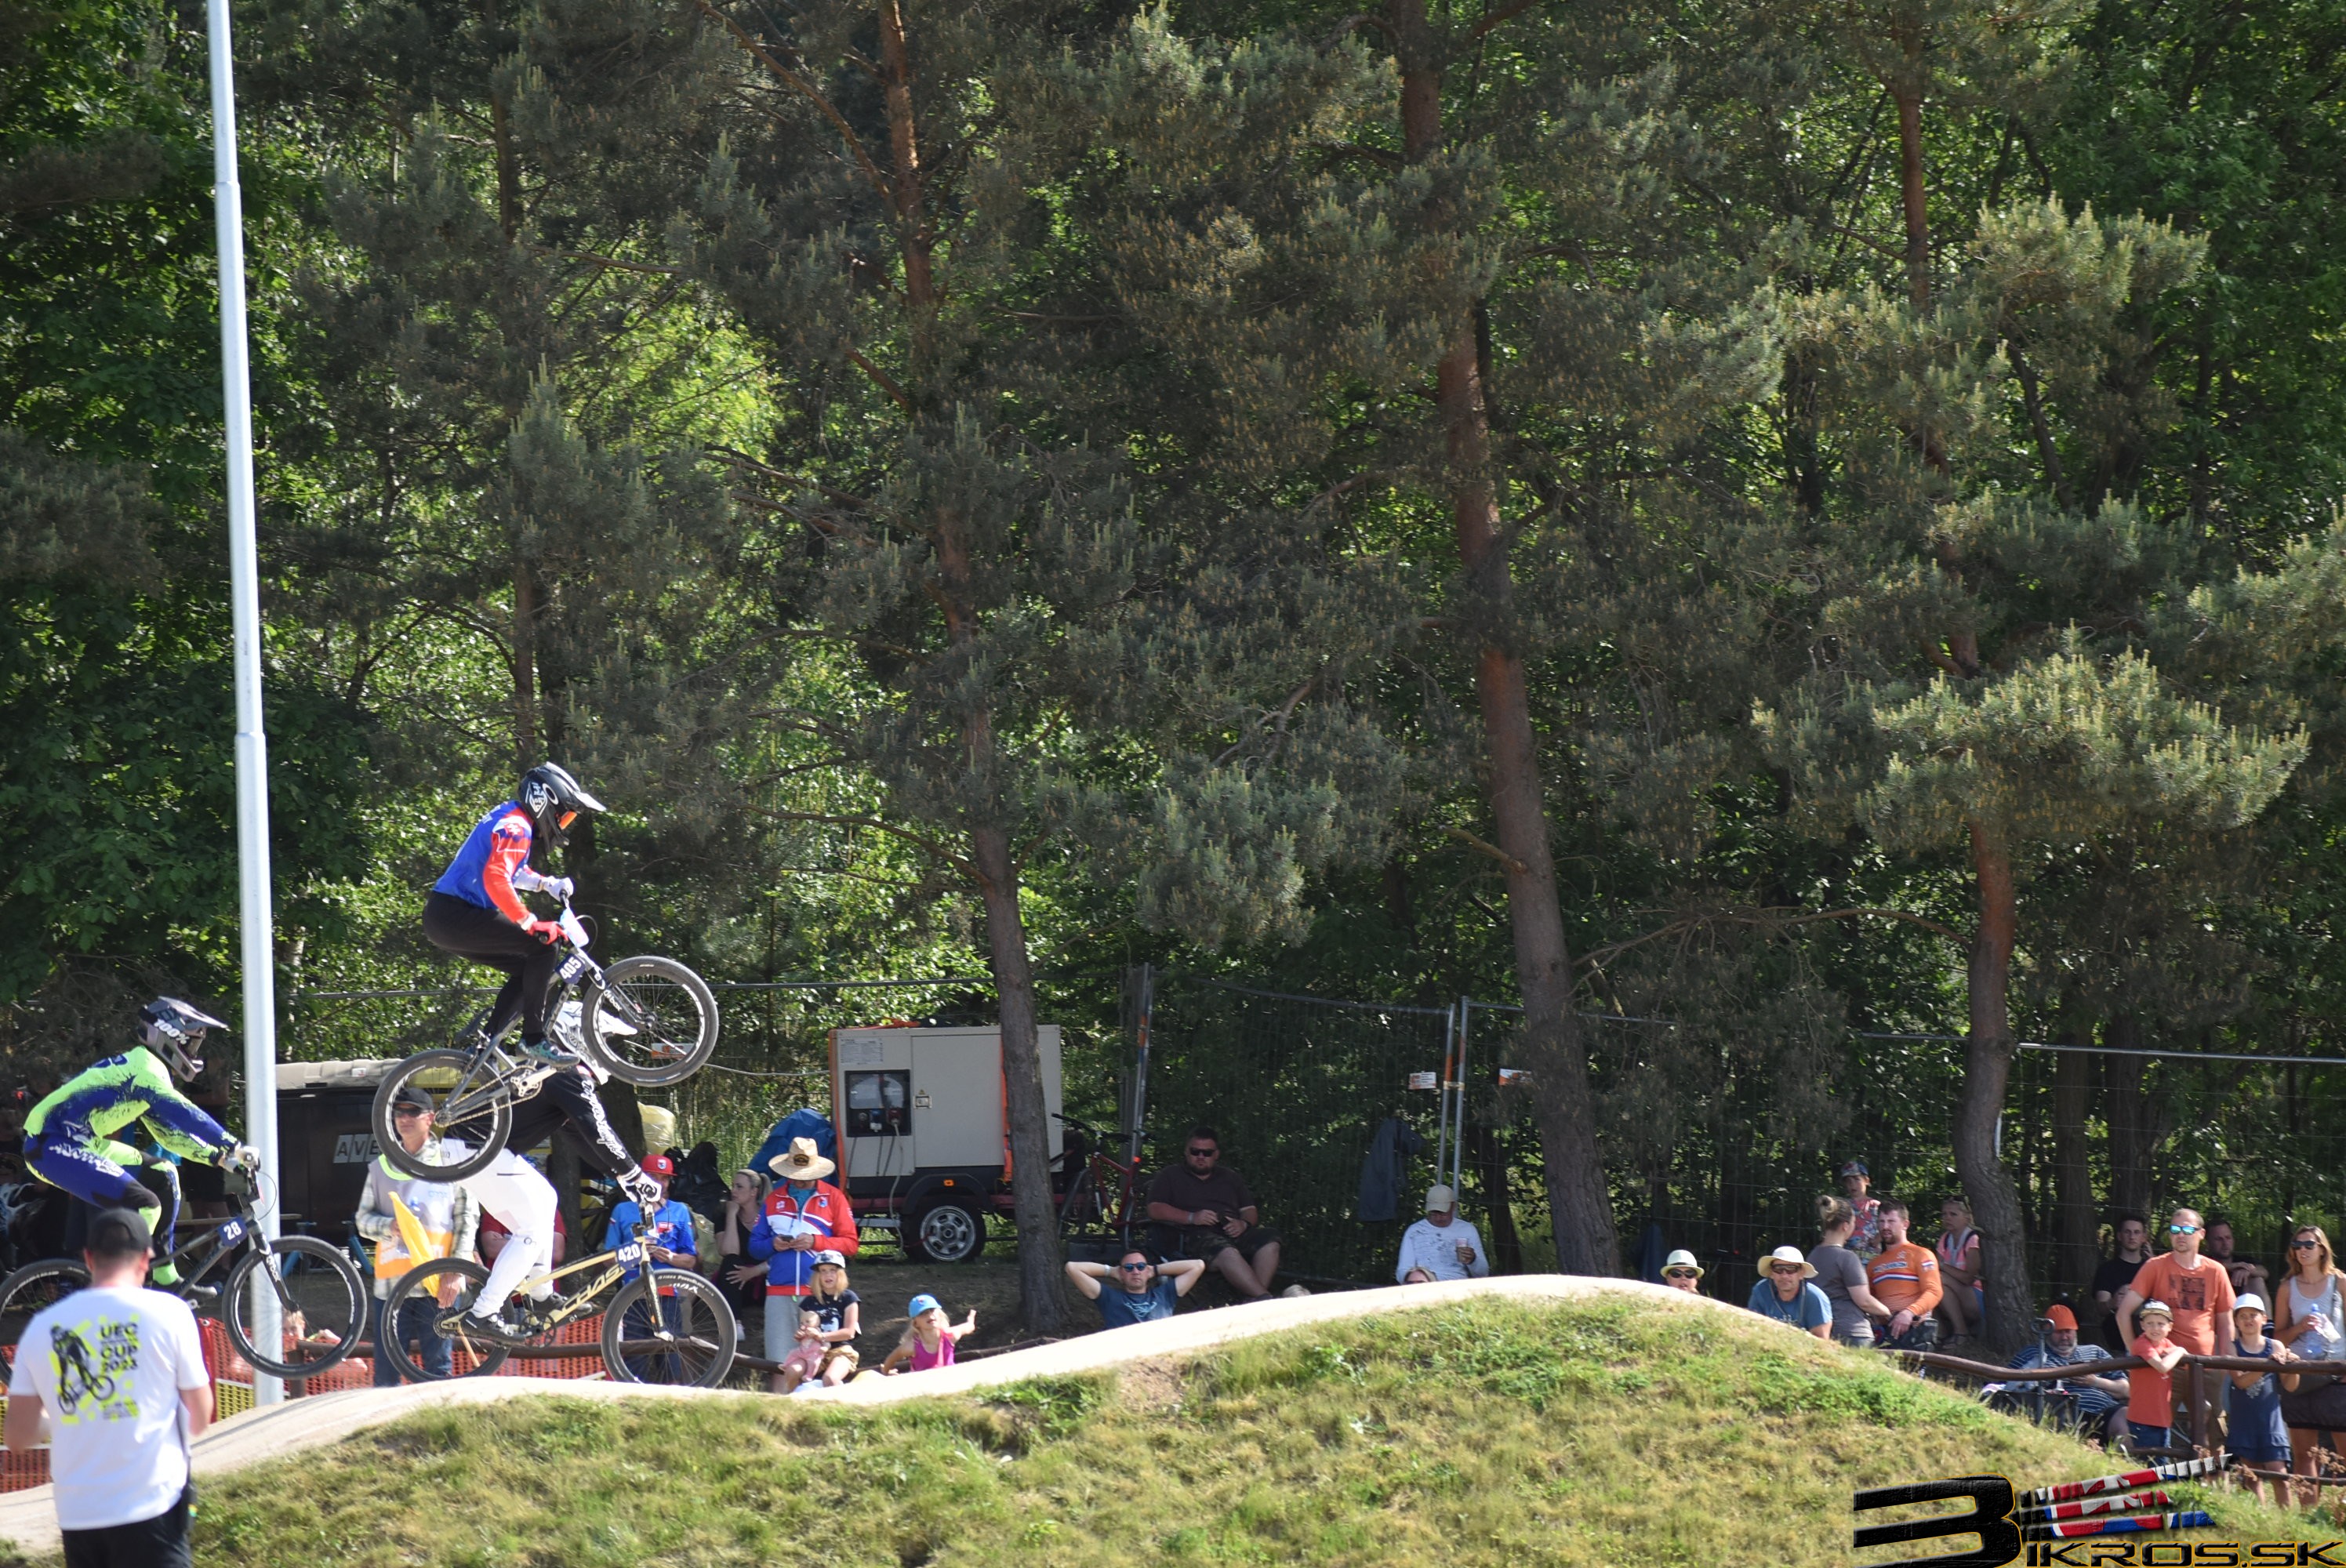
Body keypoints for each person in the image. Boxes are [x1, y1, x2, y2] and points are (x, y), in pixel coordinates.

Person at [4, 1208, 212, 1568]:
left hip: (79, 1516)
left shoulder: (41, 1327)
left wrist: (64, 1416)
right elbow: (201, 1416)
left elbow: (17, 1437)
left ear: (88, 1258)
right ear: (146, 1258)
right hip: (153, 1507)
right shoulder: (171, 1313)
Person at [19, 1000, 258, 1289]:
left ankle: (166, 1278)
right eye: (192, 1044)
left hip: (80, 1144)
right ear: (171, 1038)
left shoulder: (147, 1069)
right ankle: (122, 1286)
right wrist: (233, 1145)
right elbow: (184, 1112)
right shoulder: (146, 1070)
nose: (195, 1054)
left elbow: (169, 1135)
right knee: (146, 1204)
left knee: (164, 1173)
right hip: (50, 1145)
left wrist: (217, 1158)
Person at [423, 760, 605, 1064]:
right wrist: (531, 923)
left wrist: (547, 884)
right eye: (564, 816)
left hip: (445, 916)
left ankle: (484, 1050)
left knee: (529, 968)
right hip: (455, 914)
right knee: (545, 946)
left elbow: (511, 871)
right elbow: (496, 878)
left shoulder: (511, 816)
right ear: (546, 802)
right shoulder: (517, 828)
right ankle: (534, 1039)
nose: (563, 825)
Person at [354, 1087, 478, 1385]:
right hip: (391, 1288)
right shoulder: (381, 1165)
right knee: (386, 1378)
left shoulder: (451, 1161)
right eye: (399, 1112)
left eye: (413, 1111)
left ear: (430, 1118)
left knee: (437, 1373)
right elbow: (362, 1221)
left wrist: (455, 1272)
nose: (404, 1118)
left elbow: (467, 1219)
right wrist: (389, 1226)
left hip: (438, 1286)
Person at [749, 1138, 859, 1391]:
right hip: (779, 1292)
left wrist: (816, 1242)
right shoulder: (773, 1199)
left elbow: (851, 1244)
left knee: (822, 1363)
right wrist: (773, 1244)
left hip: (820, 1293)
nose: (800, 1180)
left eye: (806, 1175)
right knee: (780, 1364)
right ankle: (779, 1410)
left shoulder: (834, 1197)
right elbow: (754, 1246)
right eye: (795, 1175)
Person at [1145, 1125, 1301, 1301]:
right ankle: (1265, 1300)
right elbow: (1154, 1209)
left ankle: (1253, 1299)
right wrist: (1191, 1217)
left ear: (1216, 1154)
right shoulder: (1170, 1175)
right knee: (1226, 1251)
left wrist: (1243, 1224)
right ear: (1186, 1152)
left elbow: (1250, 1211)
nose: (1201, 1157)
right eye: (1195, 1152)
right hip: (1191, 1236)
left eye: (1207, 1153)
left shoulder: (1230, 1177)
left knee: (1270, 1239)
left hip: (1230, 1233)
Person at [2271, 1223, 2346, 1480]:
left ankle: (2339, 1505)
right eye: (2297, 1245)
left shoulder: (2340, 1282)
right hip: (2300, 1375)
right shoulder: (2286, 1288)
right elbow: (2278, 1337)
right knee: (2304, 1455)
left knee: (2344, 1454)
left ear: (2322, 1249)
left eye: (2309, 1245)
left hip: (2337, 1374)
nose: (2302, 1250)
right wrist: (2299, 1328)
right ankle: (2307, 1506)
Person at [2113, 1207, 2237, 1359]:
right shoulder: (2155, 1266)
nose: (2181, 1235)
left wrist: (2226, 1363)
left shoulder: (2216, 1271)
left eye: (2188, 1230)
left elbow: (2225, 1323)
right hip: (2165, 1363)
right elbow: (2123, 1313)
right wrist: (2136, 1352)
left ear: (2201, 1234)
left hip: (2206, 1363)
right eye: (2175, 1230)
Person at [2003, 1305, 2126, 1444]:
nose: (2064, 1337)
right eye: (2058, 1332)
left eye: (2068, 1331)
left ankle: (2120, 1456)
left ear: (2075, 1330)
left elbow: (2126, 1390)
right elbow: (2006, 1387)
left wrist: (2095, 1382)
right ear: (2047, 1332)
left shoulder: (2095, 1352)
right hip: (2061, 1414)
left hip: (2105, 1411)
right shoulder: (2033, 1354)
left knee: (2126, 1417)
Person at [2226, 1294, 2300, 1495]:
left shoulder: (2276, 1346)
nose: (2248, 1320)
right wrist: (2268, 1364)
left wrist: (2293, 1367)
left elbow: (2290, 1386)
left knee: (2279, 1474)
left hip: (2270, 1419)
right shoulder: (2233, 1347)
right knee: (2251, 1477)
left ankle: (2286, 1515)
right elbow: (2241, 1382)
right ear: (2236, 1321)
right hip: (2244, 1418)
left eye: (2253, 1315)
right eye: (2243, 1316)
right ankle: (2259, 1513)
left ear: (2264, 1319)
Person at [601, 1152, 696, 1282]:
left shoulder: (680, 1210)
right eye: (653, 1177)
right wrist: (635, 1254)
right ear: (642, 1179)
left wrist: (670, 1257)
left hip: (669, 1287)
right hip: (633, 1288)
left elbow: (691, 1260)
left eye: (664, 1178)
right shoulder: (622, 1210)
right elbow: (607, 1260)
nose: (659, 1183)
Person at [1811, 1196, 1891, 1348]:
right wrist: (1887, 1312)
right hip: (1853, 1332)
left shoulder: (1813, 1256)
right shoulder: (1847, 1258)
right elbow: (1864, 1301)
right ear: (1845, 1226)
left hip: (1822, 1331)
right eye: (1854, 1223)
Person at [1865, 1198, 1943, 1352]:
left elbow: (1934, 1291)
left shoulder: (1921, 1254)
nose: (1885, 1227)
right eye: (1881, 1222)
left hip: (1915, 1333)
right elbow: (1868, 1299)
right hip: (1885, 1335)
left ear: (1905, 1224)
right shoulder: (1873, 1264)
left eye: (1891, 1221)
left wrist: (1909, 1313)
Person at [1066, 1251, 1207, 1327]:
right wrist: (1112, 1271)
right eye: (1129, 1268)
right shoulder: (1109, 1298)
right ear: (1121, 1273)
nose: (1135, 1272)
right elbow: (1072, 1268)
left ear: (1147, 1270)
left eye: (1140, 1267)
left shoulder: (1165, 1294)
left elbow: (1198, 1265)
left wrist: (1155, 1270)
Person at [1393, 1185, 1490, 1283]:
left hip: (1457, 1284)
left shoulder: (1467, 1230)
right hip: (1425, 1285)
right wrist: (1419, 1280)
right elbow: (1402, 1272)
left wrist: (1473, 1260)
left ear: (1453, 1207)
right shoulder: (1414, 1232)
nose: (1438, 1218)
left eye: (1443, 1214)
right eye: (1433, 1213)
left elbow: (1483, 1274)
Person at [2126, 1300, 2188, 1453]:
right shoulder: (2141, 1344)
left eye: (2160, 1324)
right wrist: (2180, 1351)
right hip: (2142, 1418)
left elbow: (2186, 1362)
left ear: (2170, 1327)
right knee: (2148, 1462)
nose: (2155, 1328)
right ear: (2142, 1325)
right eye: (2150, 1323)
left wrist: (2176, 1352)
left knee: (2162, 1461)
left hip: (2162, 1418)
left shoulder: (2166, 1343)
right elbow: (2162, 1367)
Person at [794, 1250, 862, 1388]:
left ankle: (839, 1401)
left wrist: (822, 1336)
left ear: (840, 1273)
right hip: (812, 1352)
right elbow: (804, 1330)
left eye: (832, 1270)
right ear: (817, 1275)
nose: (828, 1275)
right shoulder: (808, 1302)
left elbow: (849, 1333)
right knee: (793, 1371)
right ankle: (791, 1398)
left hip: (841, 1351)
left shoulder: (849, 1298)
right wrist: (801, 1335)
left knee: (830, 1378)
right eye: (823, 1271)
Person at [714, 1167, 772, 1319]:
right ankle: (735, 1323)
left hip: (765, 1280)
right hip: (737, 1283)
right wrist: (732, 1215)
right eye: (733, 1186)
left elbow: (779, 1253)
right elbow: (728, 1251)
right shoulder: (723, 1216)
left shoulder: (769, 1217)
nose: (733, 1191)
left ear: (754, 1192)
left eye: (739, 1187)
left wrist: (754, 1271)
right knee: (731, 1261)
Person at [2091, 1213, 2153, 1353]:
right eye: (2127, 1232)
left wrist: (2154, 1263)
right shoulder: (2107, 1270)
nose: (2132, 1237)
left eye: (2137, 1232)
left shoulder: (2152, 1269)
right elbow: (2101, 1309)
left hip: (2151, 1337)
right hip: (2117, 1339)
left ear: (2144, 1237)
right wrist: (2112, 1303)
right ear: (2119, 1236)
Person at [1747, 1246, 1831, 1339]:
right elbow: (1752, 1329)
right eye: (1778, 1269)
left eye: (1791, 1269)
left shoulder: (1815, 1297)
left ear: (1801, 1273)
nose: (1784, 1275)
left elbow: (1821, 1341)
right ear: (1771, 1273)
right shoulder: (1761, 1291)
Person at [878, 1294, 975, 1374]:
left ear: (940, 1314)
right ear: (915, 1323)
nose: (929, 1315)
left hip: (949, 1378)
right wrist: (886, 1372)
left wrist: (970, 1320)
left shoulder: (950, 1336)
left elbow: (968, 1327)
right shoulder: (912, 1347)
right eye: (923, 1313)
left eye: (932, 1310)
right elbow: (892, 1358)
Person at [1934, 1197, 1985, 1345]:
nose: (1947, 1218)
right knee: (1932, 1282)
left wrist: (1943, 1266)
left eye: (1953, 1214)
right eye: (1944, 1214)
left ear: (1967, 1217)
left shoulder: (1973, 1239)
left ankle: (1961, 1333)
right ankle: (1941, 1331)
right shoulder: (1945, 1239)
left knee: (1937, 1278)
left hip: (1975, 1298)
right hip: (1953, 1292)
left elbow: (1969, 1278)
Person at [2207, 1219, 2272, 1305]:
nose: (2225, 1243)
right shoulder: (2203, 1261)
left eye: (2228, 1238)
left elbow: (2264, 1272)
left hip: (2242, 1309)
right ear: (2208, 1243)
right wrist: (2228, 1267)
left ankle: (2264, 1314)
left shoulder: (2243, 1261)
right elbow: (2204, 1269)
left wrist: (2249, 1271)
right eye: (2219, 1239)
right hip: (2212, 1307)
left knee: (2257, 1280)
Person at [1839, 1160, 1883, 1260]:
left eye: (1857, 1179)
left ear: (1867, 1181)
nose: (1852, 1185)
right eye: (1848, 1181)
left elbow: (1887, 1226)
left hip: (1872, 1259)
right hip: (1847, 1259)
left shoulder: (1876, 1206)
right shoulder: (1842, 1206)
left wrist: (1879, 1237)